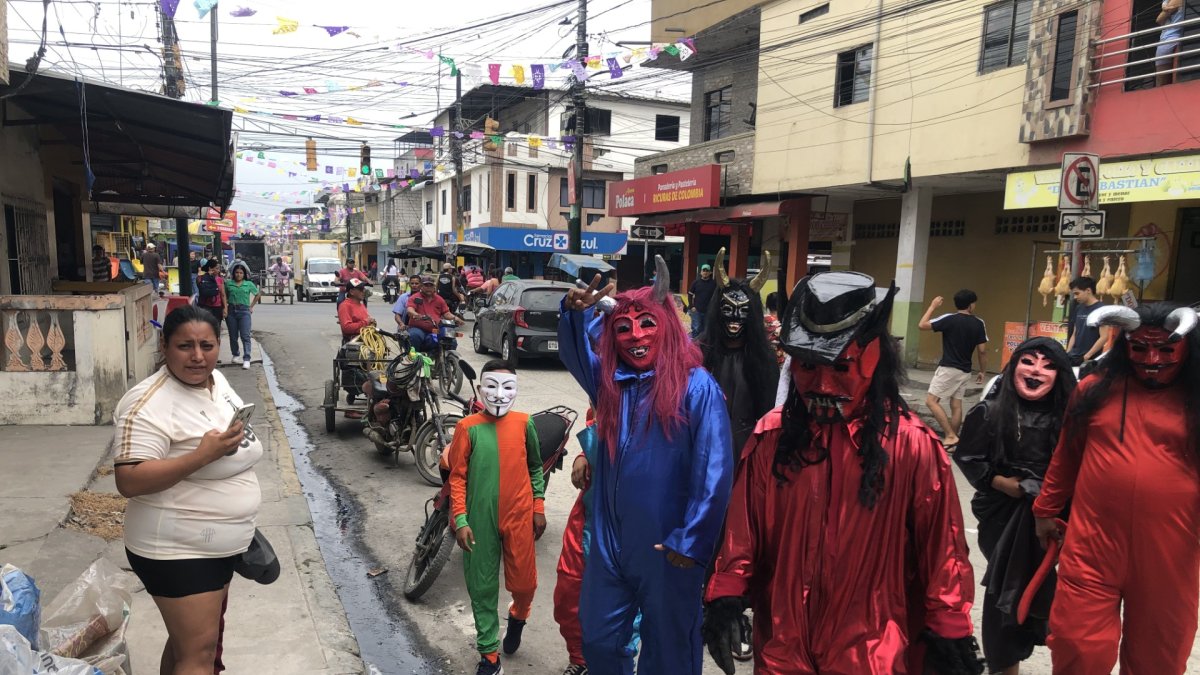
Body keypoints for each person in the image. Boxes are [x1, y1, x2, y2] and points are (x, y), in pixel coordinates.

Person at [703, 271, 983, 675]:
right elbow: (743, 530)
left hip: (871, 649)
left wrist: (950, 625)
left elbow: (942, 547)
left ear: (872, 359)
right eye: (807, 367)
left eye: (839, 368)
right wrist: (726, 593)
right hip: (783, 644)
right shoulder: (773, 439)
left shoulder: (911, 446)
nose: (821, 385)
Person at [559, 256, 733, 675]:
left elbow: (716, 470)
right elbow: (576, 355)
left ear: (667, 326)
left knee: (669, 649)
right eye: (623, 327)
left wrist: (692, 539)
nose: (635, 336)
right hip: (608, 541)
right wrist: (572, 315)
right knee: (598, 639)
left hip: (667, 545)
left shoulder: (697, 387)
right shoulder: (610, 383)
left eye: (647, 324)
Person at [1033, 303, 1200, 674]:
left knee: (1159, 655)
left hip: (1171, 551)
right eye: (1140, 348)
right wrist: (1046, 509)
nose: (1152, 359)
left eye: (1166, 349)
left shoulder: (1195, 400)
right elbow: (1066, 455)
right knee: (1078, 645)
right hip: (1093, 543)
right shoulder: (1094, 390)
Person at [112, 305, 263, 675]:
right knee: (198, 653)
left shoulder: (215, 381)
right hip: (177, 549)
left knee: (188, 645)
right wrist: (200, 456)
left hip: (215, 545)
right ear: (164, 346)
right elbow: (129, 480)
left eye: (207, 345)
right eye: (185, 346)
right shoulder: (146, 403)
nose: (198, 357)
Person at [953, 337, 1077, 675]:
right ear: (1013, 366)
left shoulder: (1069, 418)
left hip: (1053, 515)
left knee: (1045, 586)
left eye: (1048, 365)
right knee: (1005, 587)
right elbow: (968, 457)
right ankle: (1005, 665)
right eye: (1029, 361)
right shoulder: (989, 411)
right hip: (1002, 516)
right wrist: (1005, 484)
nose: (1036, 370)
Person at [446, 361, 546, 675]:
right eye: (491, 386)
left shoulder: (524, 422)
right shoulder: (468, 427)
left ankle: (518, 615)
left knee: (525, 583)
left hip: (518, 515)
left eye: (507, 388)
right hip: (479, 519)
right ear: (479, 389)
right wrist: (461, 520)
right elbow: (457, 477)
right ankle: (489, 655)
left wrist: (539, 506)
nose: (499, 395)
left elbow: (535, 467)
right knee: (482, 587)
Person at [553, 410, 642, 675]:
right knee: (568, 594)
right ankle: (580, 659)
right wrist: (583, 454)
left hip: (634, 523)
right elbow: (599, 421)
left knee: (625, 606)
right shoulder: (607, 383)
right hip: (590, 517)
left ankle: (621, 663)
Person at [919, 289, 989, 448]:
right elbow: (983, 351)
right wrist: (983, 371)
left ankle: (950, 436)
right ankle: (953, 442)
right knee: (956, 405)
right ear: (971, 305)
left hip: (948, 369)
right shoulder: (979, 323)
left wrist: (932, 306)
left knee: (931, 401)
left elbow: (922, 325)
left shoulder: (949, 319)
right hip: (965, 371)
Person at [407, 275, 462, 352]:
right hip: (418, 328)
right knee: (414, 336)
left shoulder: (439, 299)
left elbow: (446, 313)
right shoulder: (415, 297)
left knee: (451, 338)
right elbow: (410, 309)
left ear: (434, 287)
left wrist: (456, 319)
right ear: (421, 287)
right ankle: (414, 358)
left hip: (435, 329)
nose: (428, 288)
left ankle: (448, 359)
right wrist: (416, 315)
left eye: (431, 285)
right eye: (426, 285)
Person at [1064, 276, 1109, 367]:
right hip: (1073, 356)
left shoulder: (1102, 309)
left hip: (1089, 360)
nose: (1075, 297)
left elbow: (1104, 337)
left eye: (1077, 293)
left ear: (1088, 290)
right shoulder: (1078, 308)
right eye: (1074, 294)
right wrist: (1068, 352)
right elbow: (1075, 333)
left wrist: (1087, 356)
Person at [224, 262, 260, 370]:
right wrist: (225, 308)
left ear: (244, 274)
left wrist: (251, 306)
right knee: (233, 335)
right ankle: (235, 353)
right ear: (233, 274)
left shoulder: (248, 284)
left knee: (245, 335)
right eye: (236, 273)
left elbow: (257, 294)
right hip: (231, 310)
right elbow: (224, 296)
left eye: (240, 273)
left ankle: (247, 358)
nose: (238, 275)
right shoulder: (229, 284)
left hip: (244, 311)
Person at [195, 259, 228, 345]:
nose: (218, 270)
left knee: (209, 329)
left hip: (208, 306)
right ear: (210, 268)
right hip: (212, 307)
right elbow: (223, 295)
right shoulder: (218, 279)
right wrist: (225, 308)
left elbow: (223, 294)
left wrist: (225, 308)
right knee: (214, 329)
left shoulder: (201, 277)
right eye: (216, 268)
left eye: (218, 268)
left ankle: (212, 348)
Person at [338, 278, 375, 344]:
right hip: (352, 345)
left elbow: (367, 321)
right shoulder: (345, 306)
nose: (363, 291)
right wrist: (366, 322)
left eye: (363, 289)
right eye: (361, 289)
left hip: (365, 341)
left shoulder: (361, 305)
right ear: (352, 292)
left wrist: (371, 322)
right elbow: (346, 328)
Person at [1156, 0, 1184, 86]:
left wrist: (1164, 10)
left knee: (1162, 83)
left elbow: (1159, 20)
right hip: (1173, 37)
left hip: (1169, 38)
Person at [687, 262, 717, 339]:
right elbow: (690, 294)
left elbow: (717, 296)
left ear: (710, 272)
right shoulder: (696, 282)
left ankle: (703, 346)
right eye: (704, 270)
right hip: (697, 310)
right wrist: (691, 306)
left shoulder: (714, 284)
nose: (705, 272)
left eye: (707, 271)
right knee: (696, 328)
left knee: (706, 329)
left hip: (709, 310)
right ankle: (694, 346)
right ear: (701, 272)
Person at [764, 291, 784, 365]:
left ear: (768, 305)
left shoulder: (761, 320)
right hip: (780, 360)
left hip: (764, 358)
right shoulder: (783, 322)